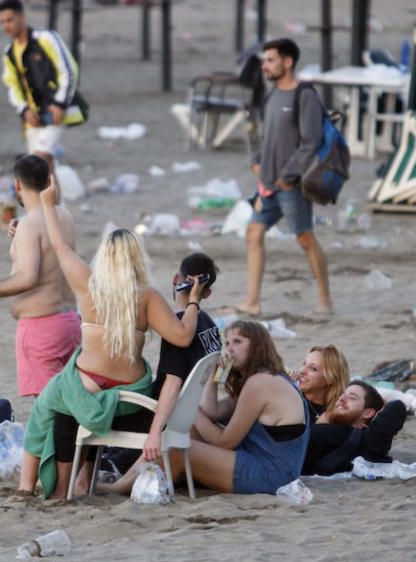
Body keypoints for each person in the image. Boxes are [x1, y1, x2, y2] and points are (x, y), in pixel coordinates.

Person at [20, 176, 207, 498]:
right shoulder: (147, 297)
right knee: (65, 397)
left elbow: (60, 245)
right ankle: (79, 481)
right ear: (137, 258)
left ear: (104, 257)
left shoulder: (88, 283)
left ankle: (43, 487)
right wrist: (193, 301)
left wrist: (48, 205)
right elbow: (182, 336)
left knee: (57, 402)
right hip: (131, 402)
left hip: (89, 391)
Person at [115, 320, 308, 496]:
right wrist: (215, 375)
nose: (229, 349)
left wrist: (183, 406)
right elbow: (211, 411)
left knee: (176, 448)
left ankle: (123, 488)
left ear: (258, 346)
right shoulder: (260, 380)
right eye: (227, 343)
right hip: (265, 466)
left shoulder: (261, 383)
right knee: (186, 430)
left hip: (271, 476)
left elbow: (225, 442)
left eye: (238, 342)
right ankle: (128, 481)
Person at [95, 252, 223, 493]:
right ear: (206, 292)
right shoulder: (211, 327)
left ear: (177, 279)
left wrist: (155, 432)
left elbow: (172, 384)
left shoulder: (178, 328)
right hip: (186, 415)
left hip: (162, 413)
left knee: (100, 404)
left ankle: (102, 468)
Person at [235, 38, 332, 316]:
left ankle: (325, 300)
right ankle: (252, 302)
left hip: (292, 185)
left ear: (287, 62)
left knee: (305, 239)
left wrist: (288, 176)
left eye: (270, 60)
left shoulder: (305, 96)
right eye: (264, 61)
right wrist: (257, 163)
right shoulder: (272, 96)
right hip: (268, 185)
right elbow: (268, 139)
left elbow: (311, 142)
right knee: (254, 233)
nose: (264, 65)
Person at [0, 154, 80, 398]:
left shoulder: (29, 225)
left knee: (47, 409)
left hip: (41, 328)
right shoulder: (64, 216)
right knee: (68, 404)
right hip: (69, 322)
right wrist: (19, 231)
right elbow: (51, 249)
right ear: (49, 180)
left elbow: (28, 277)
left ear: (17, 185)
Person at [0, 0, 83, 169]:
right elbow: (12, 85)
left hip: (55, 113)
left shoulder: (46, 39)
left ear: (22, 17)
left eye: (10, 20)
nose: (6, 26)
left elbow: (69, 69)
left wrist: (60, 103)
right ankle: (55, 196)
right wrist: (24, 109)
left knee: (40, 158)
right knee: (43, 170)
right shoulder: (9, 52)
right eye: (2, 22)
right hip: (33, 119)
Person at [301, 380, 407, 476]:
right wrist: (325, 418)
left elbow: (397, 406)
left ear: (368, 412)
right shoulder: (317, 422)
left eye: (352, 398)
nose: (341, 399)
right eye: (342, 395)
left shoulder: (367, 439)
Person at [295, 344, 350, 422]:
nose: (302, 371)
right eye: (304, 364)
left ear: (330, 378)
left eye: (313, 369)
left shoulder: (341, 410)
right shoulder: (292, 401)